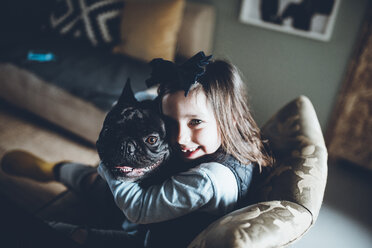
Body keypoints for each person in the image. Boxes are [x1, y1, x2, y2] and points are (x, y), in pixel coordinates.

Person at [1, 52, 273, 247]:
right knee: (103, 187)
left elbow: (138, 209)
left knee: (50, 231)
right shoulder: (239, 134)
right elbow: (149, 99)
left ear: (229, 118)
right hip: (155, 207)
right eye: (170, 120)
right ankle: (56, 170)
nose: (180, 137)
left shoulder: (209, 180)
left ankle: (70, 178)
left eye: (196, 122)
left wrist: (112, 162)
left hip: (152, 238)